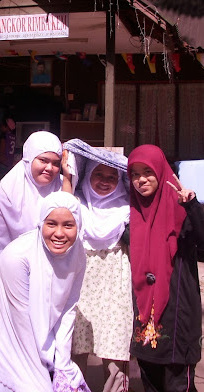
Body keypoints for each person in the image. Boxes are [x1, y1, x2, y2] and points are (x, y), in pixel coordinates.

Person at [0, 191, 91, 392]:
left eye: (68, 225)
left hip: (40, 335)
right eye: (51, 224)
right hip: (7, 333)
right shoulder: (17, 257)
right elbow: (20, 321)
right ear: (40, 224)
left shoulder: (77, 254)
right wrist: (39, 379)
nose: (59, 233)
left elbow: (68, 309)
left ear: (78, 226)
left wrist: (63, 364)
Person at [127, 145, 204, 392]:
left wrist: (192, 205)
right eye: (134, 174)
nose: (141, 179)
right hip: (146, 315)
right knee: (150, 379)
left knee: (178, 383)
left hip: (178, 311)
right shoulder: (133, 215)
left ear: (161, 171)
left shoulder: (180, 210)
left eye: (147, 172)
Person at [63, 158, 133, 392]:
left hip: (116, 279)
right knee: (76, 339)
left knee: (115, 338)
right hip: (82, 278)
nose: (105, 181)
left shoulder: (127, 208)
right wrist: (66, 175)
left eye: (112, 177)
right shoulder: (78, 205)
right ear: (88, 176)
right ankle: (73, 387)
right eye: (98, 175)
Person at [0, 130, 62, 280]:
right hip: (7, 277)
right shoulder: (6, 193)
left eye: (56, 163)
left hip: (53, 278)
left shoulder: (63, 188)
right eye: (43, 160)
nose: (50, 168)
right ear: (28, 159)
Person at [0, 116, 17, 183]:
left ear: (7, 127)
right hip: (9, 163)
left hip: (2, 163)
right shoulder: (13, 137)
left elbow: (2, 150)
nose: (1, 127)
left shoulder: (4, 136)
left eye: (2, 126)